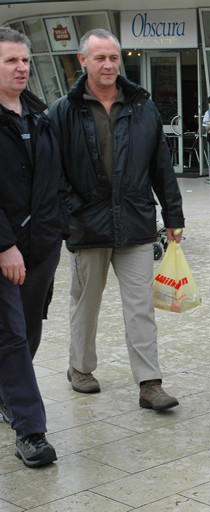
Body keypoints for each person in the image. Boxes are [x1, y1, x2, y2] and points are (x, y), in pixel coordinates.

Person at [48, 28, 184, 411]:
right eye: (100, 58)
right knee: (86, 301)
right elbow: (52, 172)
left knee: (140, 305)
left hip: (136, 223)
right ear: (83, 60)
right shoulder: (63, 111)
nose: (109, 64)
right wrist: (66, 214)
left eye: (113, 57)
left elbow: (162, 167)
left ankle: (149, 382)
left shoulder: (142, 106)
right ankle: (80, 367)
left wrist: (173, 215)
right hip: (87, 224)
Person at [0, 26, 61, 468]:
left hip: (42, 247)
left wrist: (61, 228)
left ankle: (8, 395)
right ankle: (31, 432)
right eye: (10, 61)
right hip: (6, 250)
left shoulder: (39, 116)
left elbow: (56, 179)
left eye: (24, 60)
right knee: (13, 337)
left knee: (30, 331)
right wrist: (4, 245)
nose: (22, 68)